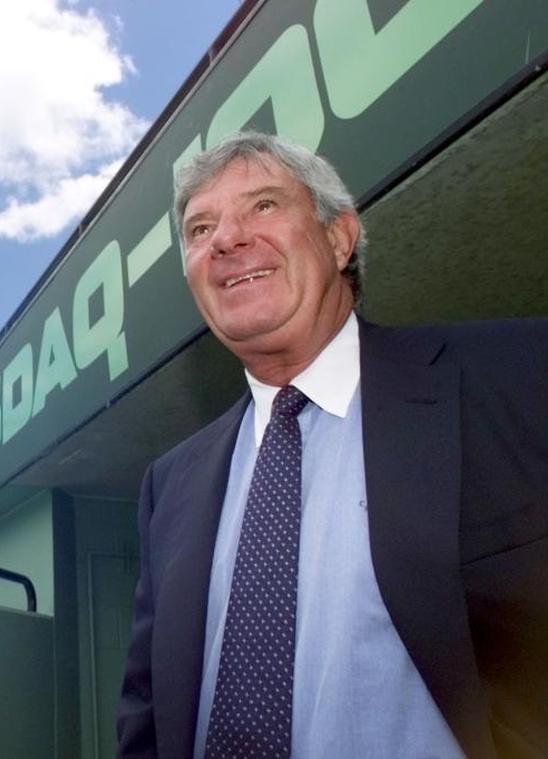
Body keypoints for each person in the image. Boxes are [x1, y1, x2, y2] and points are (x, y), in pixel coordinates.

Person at [116, 131, 548, 758]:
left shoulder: (519, 375)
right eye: (200, 228)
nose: (228, 239)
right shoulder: (168, 484)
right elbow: (148, 710)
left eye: (263, 206)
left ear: (339, 237)